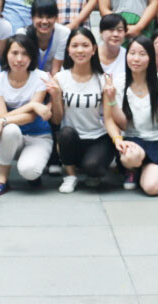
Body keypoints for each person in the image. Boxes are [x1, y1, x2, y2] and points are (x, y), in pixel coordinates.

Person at [46, 27, 118, 193]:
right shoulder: (60, 78)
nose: (80, 50)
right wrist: (55, 96)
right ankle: (70, 175)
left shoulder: (103, 79)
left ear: (93, 49)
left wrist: (118, 139)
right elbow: (56, 120)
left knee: (93, 168)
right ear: (68, 50)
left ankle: (92, 168)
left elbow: (108, 119)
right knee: (65, 133)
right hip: (72, 138)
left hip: (98, 137)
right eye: (75, 46)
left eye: (85, 45)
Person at [108, 36, 158, 196]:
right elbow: (123, 125)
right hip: (134, 140)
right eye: (132, 53)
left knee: (152, 188)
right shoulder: (118, 82)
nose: (136, 59)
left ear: (150, 57)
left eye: (142, 54)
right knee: (129, 157)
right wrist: (112, 101)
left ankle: (150, 171)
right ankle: (134, 170)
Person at [0, 34, 54, 195]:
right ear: (6, 55)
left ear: (32, 56)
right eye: (14, 53)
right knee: (9, 129)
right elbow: (3, 116)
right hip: (11, 137)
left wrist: (1, 120)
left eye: (24, 54)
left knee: (30, 171)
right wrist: (32, 105)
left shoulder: (41, 77)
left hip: (38, 136)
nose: (19, 59)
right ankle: (2, 179)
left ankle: (32, 169)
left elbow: (30, 117)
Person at [22, 0, 70, 77]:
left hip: (53, 77)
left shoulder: (63, 33)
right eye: (40, 17)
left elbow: (56, 69)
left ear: (56, 18)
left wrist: (51, 83)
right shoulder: (23, 34)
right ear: (32, 18)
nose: (44, 21)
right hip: (29, 77)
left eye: (49, 17)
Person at [98, 13, 128, 83]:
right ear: (101, 32)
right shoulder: (91, 55)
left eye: (120, 30)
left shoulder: (128, 56)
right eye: (111, 30)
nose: (115, 34)